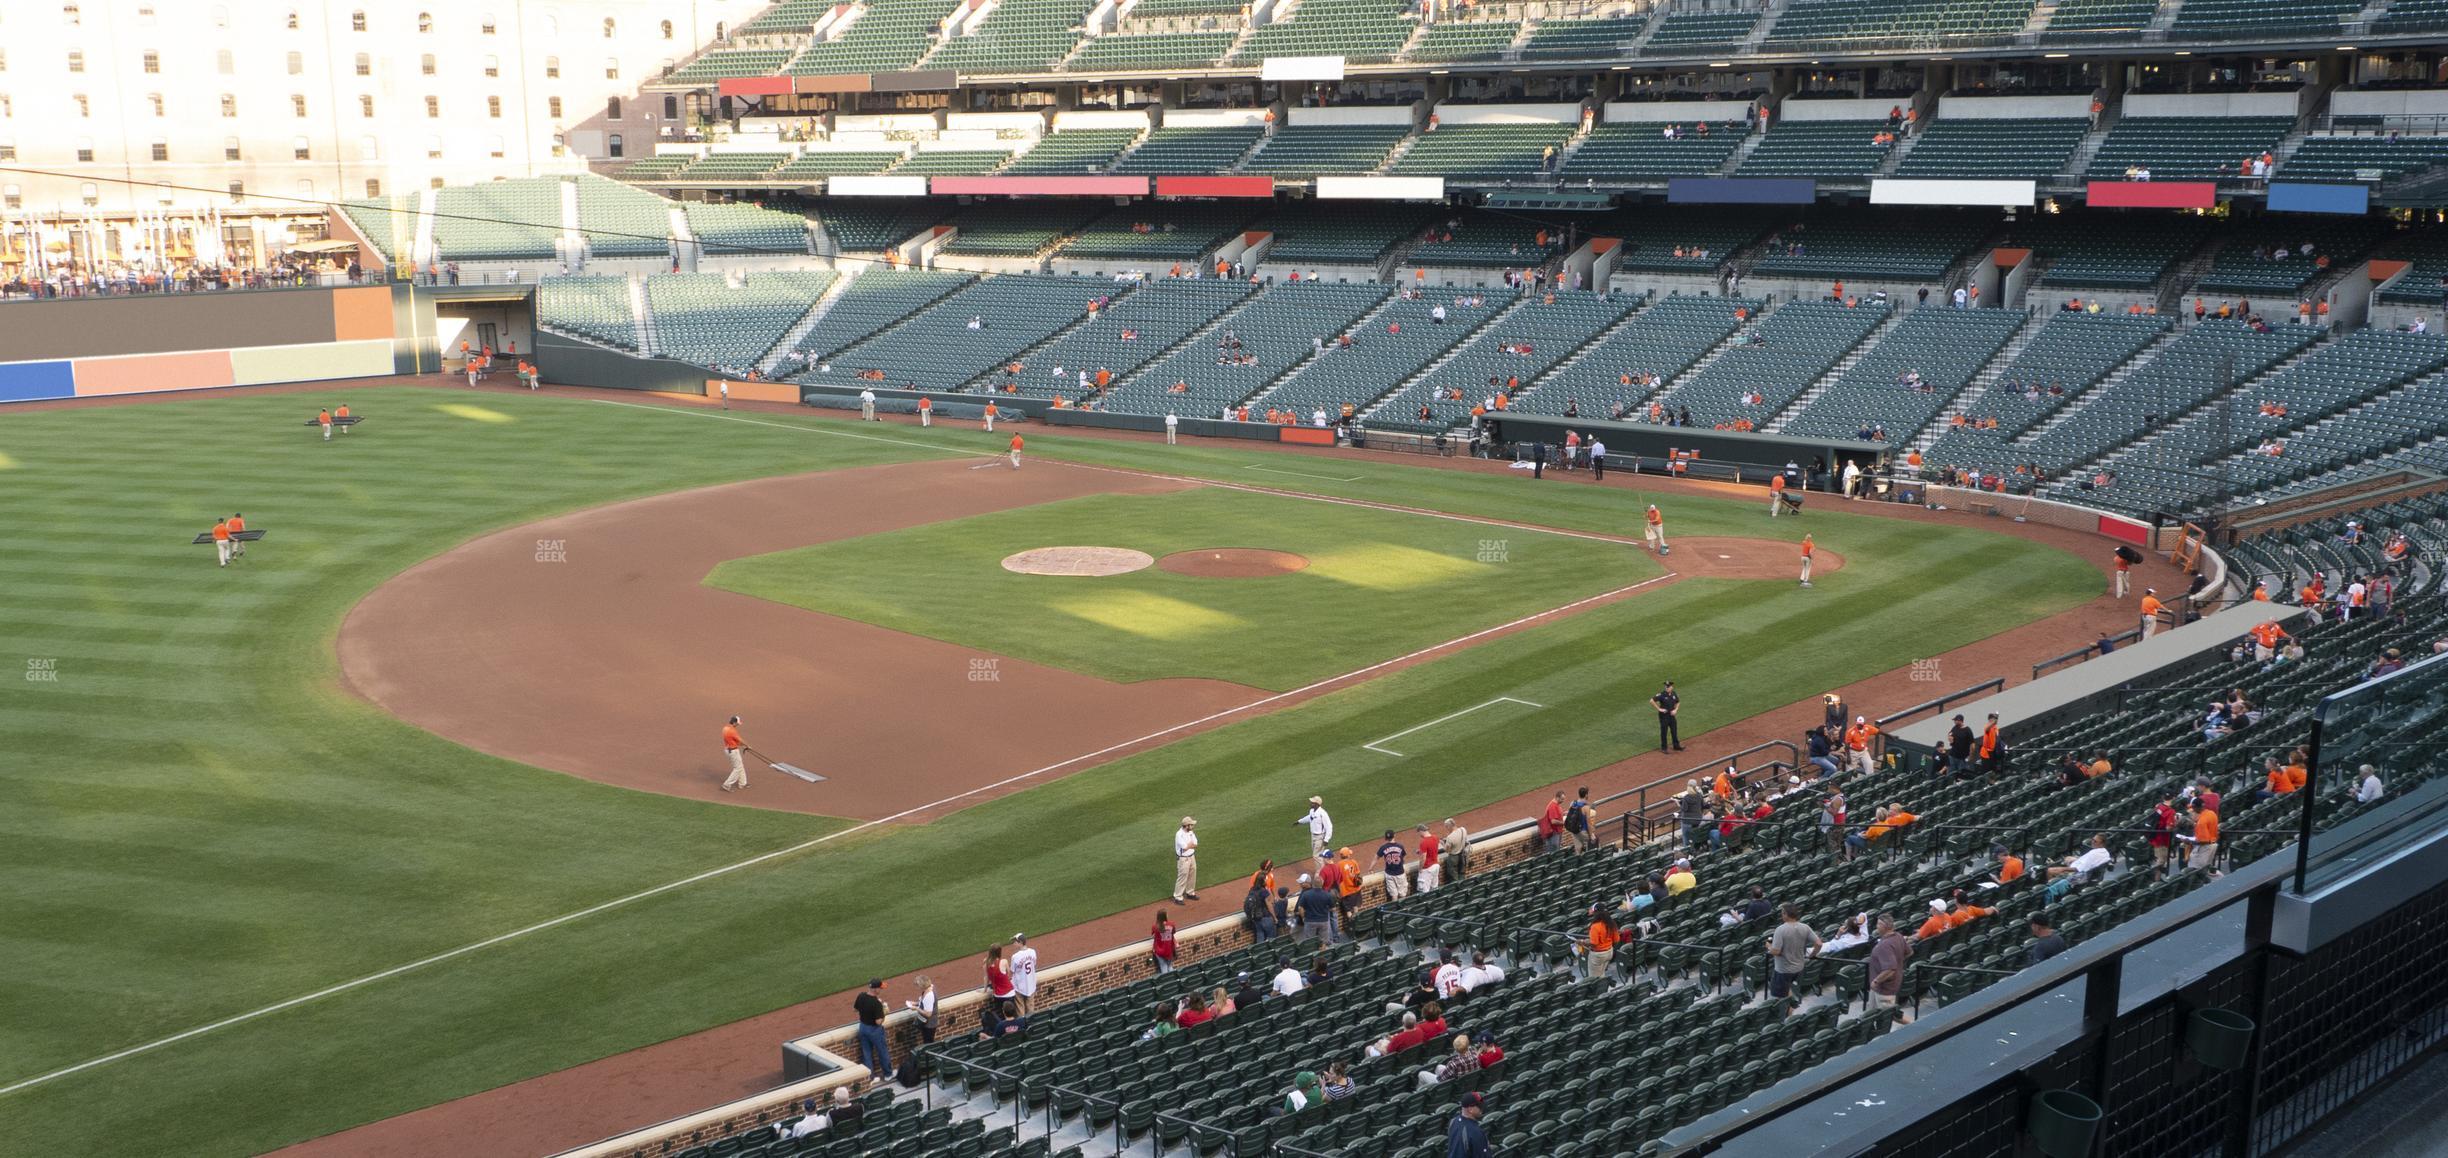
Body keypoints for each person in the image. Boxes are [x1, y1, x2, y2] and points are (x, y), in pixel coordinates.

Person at [1765, 904, 1821, 1003]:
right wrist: (1812, 955)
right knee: (1787, 989)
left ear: (1786, 914)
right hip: (1799, 968)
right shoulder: (1805, 927)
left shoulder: (1780, 929)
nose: (1781, 915)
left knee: (1780, 999)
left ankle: (1787, 1014)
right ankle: (1791, 1005)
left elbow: (1776, 951)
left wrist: (1769, 947)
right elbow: (1819, 943)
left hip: (1783, 970)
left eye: (1782, 913)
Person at [1869, 916, 1911, 1020]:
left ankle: (1914, 1026)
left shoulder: (1885, 945)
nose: (1876, 926)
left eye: (1878, 924)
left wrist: (1876, 981)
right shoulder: (1898, 936)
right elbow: (1909, 952)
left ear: (1885, 927)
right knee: (1871, 1015)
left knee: (1891, 1016)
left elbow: (1890, 969)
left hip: (1884, 988)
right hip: (1879, 988)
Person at [853, 979, 890, 1076]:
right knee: (882, 1052)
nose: (881, 990)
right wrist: (884, 1012)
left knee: (867, 1054)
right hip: (874, 1031)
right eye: (880, 988)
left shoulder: (861, 996)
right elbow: (878, 1022)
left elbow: (855, 1010)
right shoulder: (876, 1003)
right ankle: (888, 1074)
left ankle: (870, 1077)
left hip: (863, 1028)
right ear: (875, 989)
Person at [1447, 1091, 1492, 1158]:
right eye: (1479, 1106)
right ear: (1470, 1109)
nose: (1482, 1109)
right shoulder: (1475, 1132)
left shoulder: (1453, 1121)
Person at [1584, 905, 1619, 978]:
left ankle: (1601, 988)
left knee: (1594, 978)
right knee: (1601, 973)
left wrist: (1582, 942)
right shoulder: (1611, 923)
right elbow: (1616, 939)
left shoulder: (1595, 926)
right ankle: (1603, 987)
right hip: (1609, 952)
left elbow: (1594, 943)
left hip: (1598, 955)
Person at [1008, 934, 1039, 1016]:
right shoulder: (1033, 952)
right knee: (1030, 1008)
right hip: (1031, 984)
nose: (1013, 943)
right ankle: (1031, 1025)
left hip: (1019, 986)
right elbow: (1034, 964)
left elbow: (1012, 971)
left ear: (1020, 942)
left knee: (1020, 1008)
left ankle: (1023, 1025)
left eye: (1015, 941)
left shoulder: (1015, 956)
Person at [902, 975, 937, 1045]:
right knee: (927, 1041)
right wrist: (915, 1003)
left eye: (918, 985)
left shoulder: (929, 995)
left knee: (928, 1043)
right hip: (927, 1023)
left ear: (922, 985)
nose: (917, 987)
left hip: (929, 1024)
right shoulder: (928, 989)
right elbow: (924, 1003)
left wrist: (916, 1008)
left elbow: (928, 1014)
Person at [1298, 795, 1334, 862]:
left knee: (1316, 855)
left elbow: (1329, 826)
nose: (1311, 803)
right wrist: (1299, 821)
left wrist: (1326, 839)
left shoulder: (1322, 813)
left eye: (1312, 802)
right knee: (1318, 855)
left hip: (1320, 837)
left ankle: (1320, 872)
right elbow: (1310, 817)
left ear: (1317, 804)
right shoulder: (1312, 811)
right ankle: (1323, 869)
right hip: (1313, 836)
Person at [1172, 816, 1199, 903]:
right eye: (1191, 825)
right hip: (1183, 859)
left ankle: (1190, 893)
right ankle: (1178, 896)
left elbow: (1195, 844)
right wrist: (1189, 845)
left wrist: (1189, 845)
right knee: (1182, 877)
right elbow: (1184, 847)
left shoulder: (1191, 832)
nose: (1192, 826)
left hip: (1191, 856)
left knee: (1192, 875)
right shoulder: (1179, 834)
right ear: (1187, 825)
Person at [1378, 829, 1410, 900]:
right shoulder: (1400, 846)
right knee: (1402, 895)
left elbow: (1376, 858)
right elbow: (1403, 857)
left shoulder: (1383, 847)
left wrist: (1370, 869)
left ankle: (1396, 910)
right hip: (1400, 873)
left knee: (1394, 895)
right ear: (1394, 836)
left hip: (1389, 874)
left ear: (1386, 838)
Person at [1653, 681, 1684, 752]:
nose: (1667, 688)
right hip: (1664, 716)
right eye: (1666, 687)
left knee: (1674, 730)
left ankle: (1676, 746)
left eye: (1669, 687)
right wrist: (1659, 709)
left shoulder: (1673, 693)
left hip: (1672, 716)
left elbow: (1678, 702)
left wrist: (1675, 710)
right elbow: (1651, 700)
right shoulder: (1661, 695)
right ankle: (1664, 748)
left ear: (1671, 687)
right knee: (1664, 732)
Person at [721, 715, 749, 792]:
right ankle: (727, 784)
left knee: (740, 766)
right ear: (734, 722)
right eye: (737, 723)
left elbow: (732, 740)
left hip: (730, 749)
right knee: (737, 768)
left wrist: (742, 745)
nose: (738, 725)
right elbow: (740, 740)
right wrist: (747, 745)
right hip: (733, 751)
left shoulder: (725, 728)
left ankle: (742, 783)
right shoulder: (732, 731)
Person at [1151, 909, 1178, 974]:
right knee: (1170, 966)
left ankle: (1167, 982)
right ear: (1164, 916)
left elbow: (1153, 935)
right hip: (1169, 949)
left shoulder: (1155, 926)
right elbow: (1173, 932)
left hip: (1159, 950)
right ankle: (1173, 981)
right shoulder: (1171, 924)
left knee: (1163, 966)